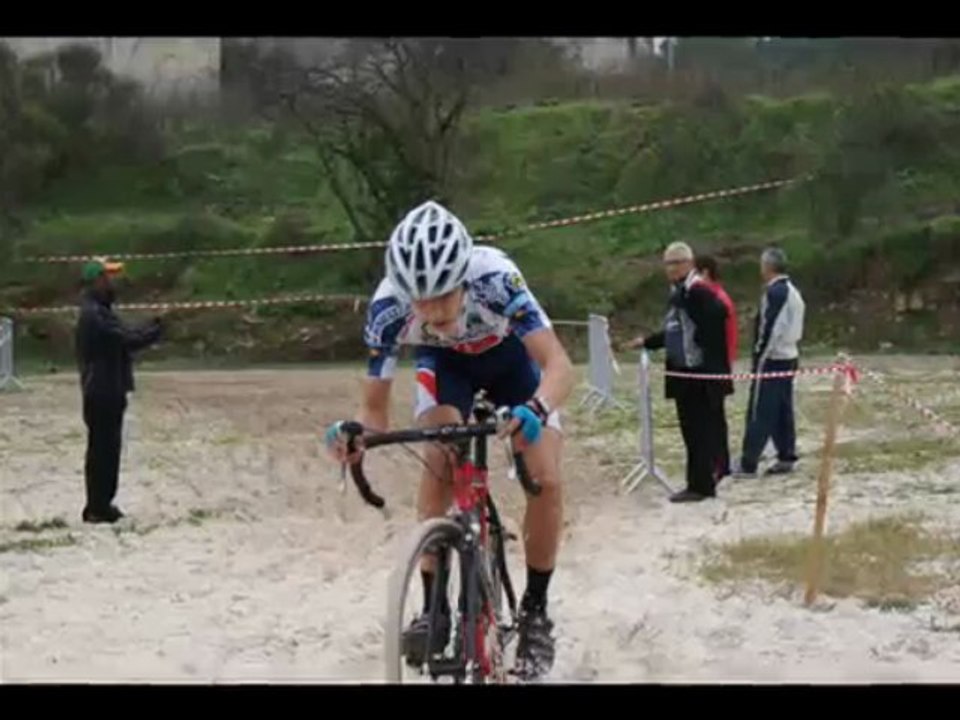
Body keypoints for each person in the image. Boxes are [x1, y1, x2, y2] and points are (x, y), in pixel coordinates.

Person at [324, 200, 574, 681]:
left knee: (544, 477)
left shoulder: (496, 278)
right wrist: (355, 435)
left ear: (463, 276)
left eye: (442, 295)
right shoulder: (387, 308)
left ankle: (535, 611)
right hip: (446, 369)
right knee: (439, 449)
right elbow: (373, 410)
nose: (432, 311)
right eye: (420, 299)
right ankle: (432, 605)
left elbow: (557, 365)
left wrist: (537, 409)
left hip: (512, 366)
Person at [628, 242, 732, 503]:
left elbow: (717, 315)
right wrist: (649, 341)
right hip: (683, 373)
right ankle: (701, 479)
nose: (669, 269)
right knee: (692, 430)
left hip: (696, 374)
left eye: (675, 263)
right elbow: (675, 330)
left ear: (688, 264)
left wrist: (704, 357)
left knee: (699, 430)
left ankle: (701, 485)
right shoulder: (679, 293)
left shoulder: (696, 291)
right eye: (666, 264)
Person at [75, 258, 163, 524]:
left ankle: (101, 504)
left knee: (107, 449)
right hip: (102, 389)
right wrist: (158, 331)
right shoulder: (95, 314)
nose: (112, 282)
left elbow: (125, 332)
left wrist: (152, 325)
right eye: (107, 277)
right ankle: (97, 507)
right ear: (96, 280)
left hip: (107, 387)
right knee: (103, 450)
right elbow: (126, 339)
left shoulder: (99, 311)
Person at [733, 247, 806, 478]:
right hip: (788, 356)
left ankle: (748, 462)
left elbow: (770, 328)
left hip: (773, 359)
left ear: (768, 267)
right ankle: (786, 455)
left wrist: (759, 355)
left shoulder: (775, 293)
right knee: (782, 409)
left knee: (760, 411)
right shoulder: (792, 291)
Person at [695, 253, 738, 480]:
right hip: (716, 366)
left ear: (704, 272)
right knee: (712, 418)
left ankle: (720, 464)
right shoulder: (716, 297)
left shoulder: (716, 300)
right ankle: (718, 461)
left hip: (716, 367)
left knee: (715, 419)